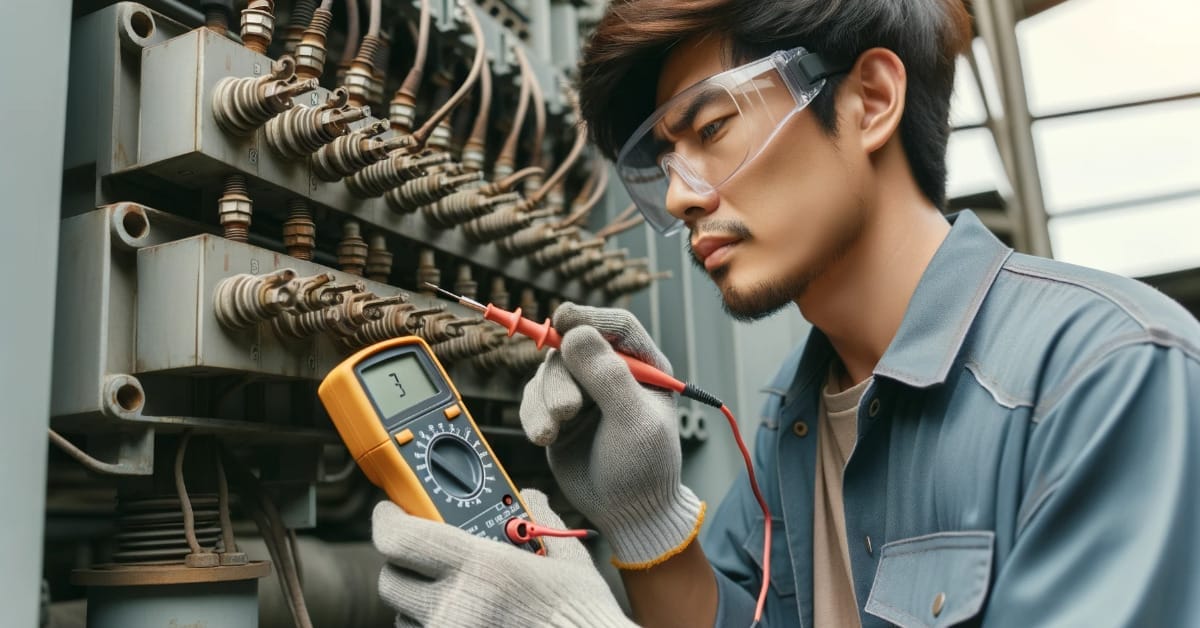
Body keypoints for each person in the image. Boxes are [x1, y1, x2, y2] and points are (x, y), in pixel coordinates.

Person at [370, 0, 1200, 625]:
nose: (683, 197)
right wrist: (649, 522)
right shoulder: (793, 421)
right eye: (664, 163)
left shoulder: (1111, 376)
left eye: (712, 128)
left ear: (870, 99)